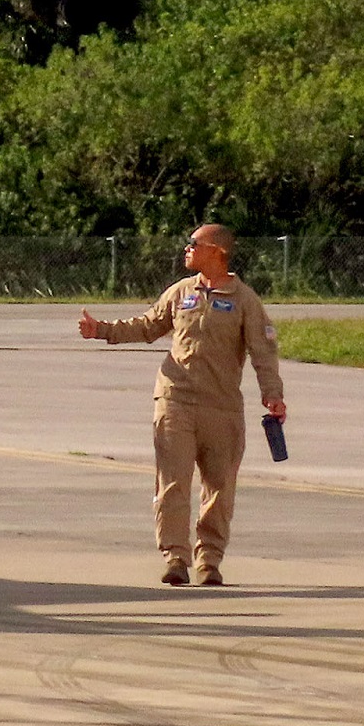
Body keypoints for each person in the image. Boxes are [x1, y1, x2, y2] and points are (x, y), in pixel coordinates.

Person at [78, 224, 287, 587]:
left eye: (195, 243)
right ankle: (176, 557)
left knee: (219, 487)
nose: (187, 248)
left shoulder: (244, 300)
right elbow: (147, 325)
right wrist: (102, 330)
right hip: (174, 400)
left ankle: (209, 560)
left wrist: (273, 394)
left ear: (218, 252)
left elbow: (263, 351)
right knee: (173, 483)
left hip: (221, 408)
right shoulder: (181, 292)